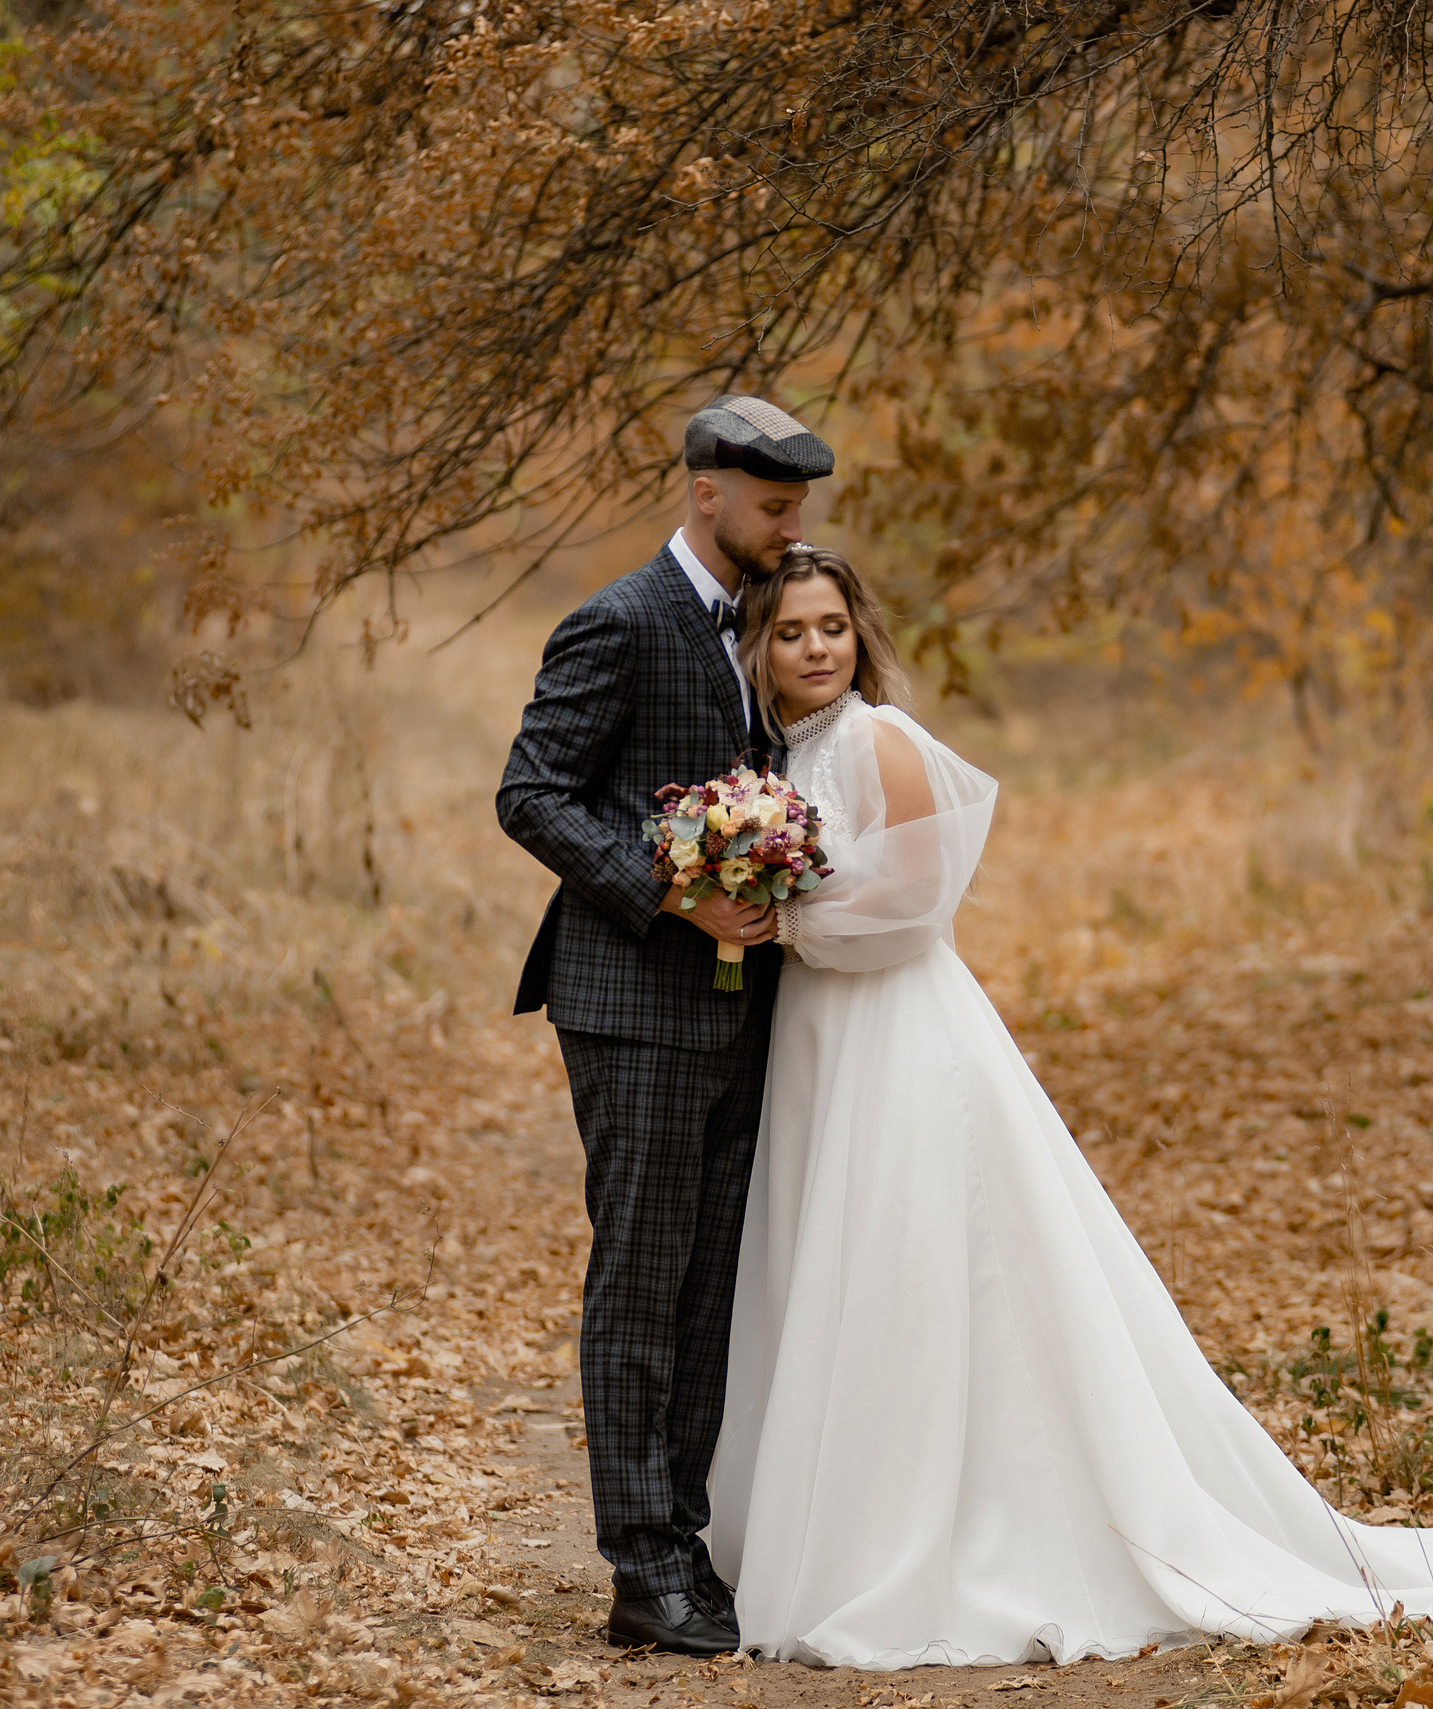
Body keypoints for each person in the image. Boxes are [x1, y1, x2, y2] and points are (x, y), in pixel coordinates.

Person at [706, 546, 1433, 1668]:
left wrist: (787, 920)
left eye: (831, 627)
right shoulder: (780, 753)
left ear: (858, 634)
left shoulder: (877, 736)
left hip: (898, 1030)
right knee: (846, 1257)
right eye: (790, 633)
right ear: (758, 648)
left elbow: (920, 901)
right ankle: (849, 1508)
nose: (815, 648)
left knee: (923, 1252)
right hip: (824, 1034)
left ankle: (955, 1528)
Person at [496, 395, 838, 1656]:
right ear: (705, 493)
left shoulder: (756, 623)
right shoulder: (621, 621)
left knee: (711, 1287)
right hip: (630, 1004)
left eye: (797, 506)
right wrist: (674, 890)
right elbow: (529, 792)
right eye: (770, 506)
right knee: (641, 1280)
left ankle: (682, 1540)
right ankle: (639, 1569)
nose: (788, 525)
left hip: (747, 1016)